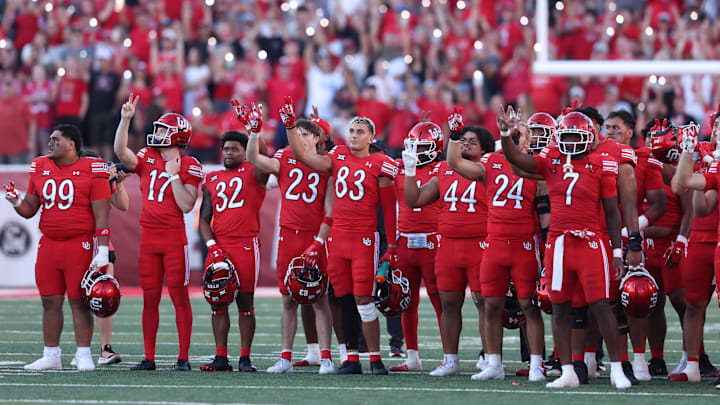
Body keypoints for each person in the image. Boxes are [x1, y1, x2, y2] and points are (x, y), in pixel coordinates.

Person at [500, 106, 632, 389]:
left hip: (591, 242)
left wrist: (618, 251)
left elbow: (612, 212)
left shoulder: (602, 163)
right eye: (567, 137)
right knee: (560, 308)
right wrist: (505, 135)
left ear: (588, 137)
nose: (571, 143)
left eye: (576, 137)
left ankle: (618, 368)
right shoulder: (550, 159)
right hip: (559, 242)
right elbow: (517, 159)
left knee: (601, 305)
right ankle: (568, 370)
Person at [283, 96, 398, 375]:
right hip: (338, 238)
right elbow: (302, 156)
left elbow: (389, 207)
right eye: (351, 131)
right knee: (343, 298)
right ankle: (352, 358)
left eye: (360, 132)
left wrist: (391, 244)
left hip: (364, 239)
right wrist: (289, 126)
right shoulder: (337, 157)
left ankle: (375, 358)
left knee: (364, 299)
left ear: (371, 137)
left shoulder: (381, 162)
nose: (355, 135)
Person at [445, 109, 546, 382]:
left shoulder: (537, 165)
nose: (515, 136)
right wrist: (454, 136)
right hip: (494, 244)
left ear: (528, 140)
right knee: (491, 306)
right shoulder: (490, 162)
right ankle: (494, 363)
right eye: (511, 133)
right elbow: (454, 163)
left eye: (520, 133)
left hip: (524, 244)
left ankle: (537, 363)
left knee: (528, 305)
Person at [4, 124, 111, 371]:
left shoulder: (92, 168)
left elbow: (102, 215)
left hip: (80, 242)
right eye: (50, 139)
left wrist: (103, 250)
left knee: (78, 301)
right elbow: (30, 209)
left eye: (56, 140)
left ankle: (83, 353)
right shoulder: (40, 166)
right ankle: (51, 355)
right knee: (50, 301)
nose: (50, 143)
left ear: (71, 144)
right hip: (49, 243)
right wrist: (16, 201)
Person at [113, 94, 203, 371]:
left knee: (179, 297)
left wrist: (174, 174)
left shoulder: (188, 164)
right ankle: (149, 357)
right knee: (149, 298)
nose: (158, 133)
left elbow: (187, 204)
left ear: (177, 135)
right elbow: (121, 152)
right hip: (149, 237)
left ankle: (183, 357)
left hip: (174, 238)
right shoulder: (146, 156)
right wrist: (125, 120)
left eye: (164, 130)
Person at [245, 111, 335, 374]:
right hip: (288, 235)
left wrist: (319, 241)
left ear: (317, 138)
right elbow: (253, 158)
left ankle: (326, 357)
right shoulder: (284, 156)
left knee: (319, 298)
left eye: (305, 134)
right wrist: (253, 132)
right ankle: (285, 358)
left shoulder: (327, 163)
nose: (299, 137)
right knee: (287, 299)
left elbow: (330, 210)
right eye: (297, 133)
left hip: (312, 236)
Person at [403, 122, 493, 377]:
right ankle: (450, 360)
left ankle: (490, 358)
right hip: (449, 244)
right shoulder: (443, 169)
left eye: (471, 142)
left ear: (485, 149)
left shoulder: (488, 169)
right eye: (461, 140)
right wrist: (411, 170)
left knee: (484, 303)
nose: (464, 144)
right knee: (449, 303)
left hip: (480, 243)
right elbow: (415, 200)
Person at [198, 106, 269, 371]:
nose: (229, 153)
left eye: (234, 149)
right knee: (217, 302)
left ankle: (245, 356)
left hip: (246, 244)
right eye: (226, 149)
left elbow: (262, 157)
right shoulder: (212, 178)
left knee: (245, 303)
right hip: (220, 245)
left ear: (243, 151)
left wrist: (255, 132)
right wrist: (212, 246)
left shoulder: (254, 171)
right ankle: (220, 357)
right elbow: (204, 219)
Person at [606, 110, 667, 381]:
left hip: (630, 236)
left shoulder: (644, 159)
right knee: (602, 301)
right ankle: (596, 360)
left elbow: (659, 204)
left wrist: (634, 228)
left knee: (637, 297)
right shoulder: (597, 155)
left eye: (616, 128)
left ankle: (641, 358)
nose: (610, 132)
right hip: (601, 236)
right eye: (607, 127)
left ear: (631, 131)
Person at [388, 122, 443, 372]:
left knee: (441, 300)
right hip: (405, 241)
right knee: (406, 301)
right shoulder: (398, 167)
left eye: (422, 147)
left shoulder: (442, 169)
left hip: (433, 241)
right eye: (413, 146)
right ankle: (412, 357)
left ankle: (449, 356)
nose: (416, 152)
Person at [669, 116, 720, 383]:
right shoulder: (701, 150)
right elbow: (679, 187)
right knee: (694, 303)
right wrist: (690, 153)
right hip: (701, 237)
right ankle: (692, 363)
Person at [70, 152, 131, 367]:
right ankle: (82, 348)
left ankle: (105, 348)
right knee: (79, 300)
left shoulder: (102, 182)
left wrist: (116, 183)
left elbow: (123, 205)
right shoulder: (73, 182)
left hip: (102, 246)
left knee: (104, 296)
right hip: (77, 244)